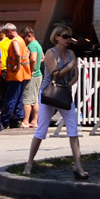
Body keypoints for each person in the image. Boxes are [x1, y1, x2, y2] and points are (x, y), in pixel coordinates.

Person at [25, 25, 89, 179]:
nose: (68, 40)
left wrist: (69, 83)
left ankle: (78, 166)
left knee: (73, 130)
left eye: (69, 37)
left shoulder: (71, 53)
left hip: (64, 94)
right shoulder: (50, 53)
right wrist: (70, 65)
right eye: (65, 36)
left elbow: (75, 75)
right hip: (49, 93)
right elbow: (56, 74)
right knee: (41, 130)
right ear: (57, 38)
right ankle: (29, 164)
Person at [1, 23, 31, 129]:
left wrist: (17, 66)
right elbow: (27, 52)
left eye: (5, 33)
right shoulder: (21, 40)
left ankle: (5, 121)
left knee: (11, 97)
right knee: (18, 97)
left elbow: (18, 54)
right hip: (23, 74)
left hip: (15, 74)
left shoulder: (14, 41)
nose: (5, 35)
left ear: (9, 31)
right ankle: (17, 119)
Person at [22, 27, 43, 129]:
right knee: (35, 100)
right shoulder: (38, 45)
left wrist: (31, 70)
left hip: (33, 76)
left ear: (29, 35)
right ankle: (34, 121)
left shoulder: (32, 46)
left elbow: (33, 58)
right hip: (39, 75)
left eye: (24, 37)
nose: (23, 39)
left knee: (27, 99)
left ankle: (25, 121)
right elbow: (42, 57)